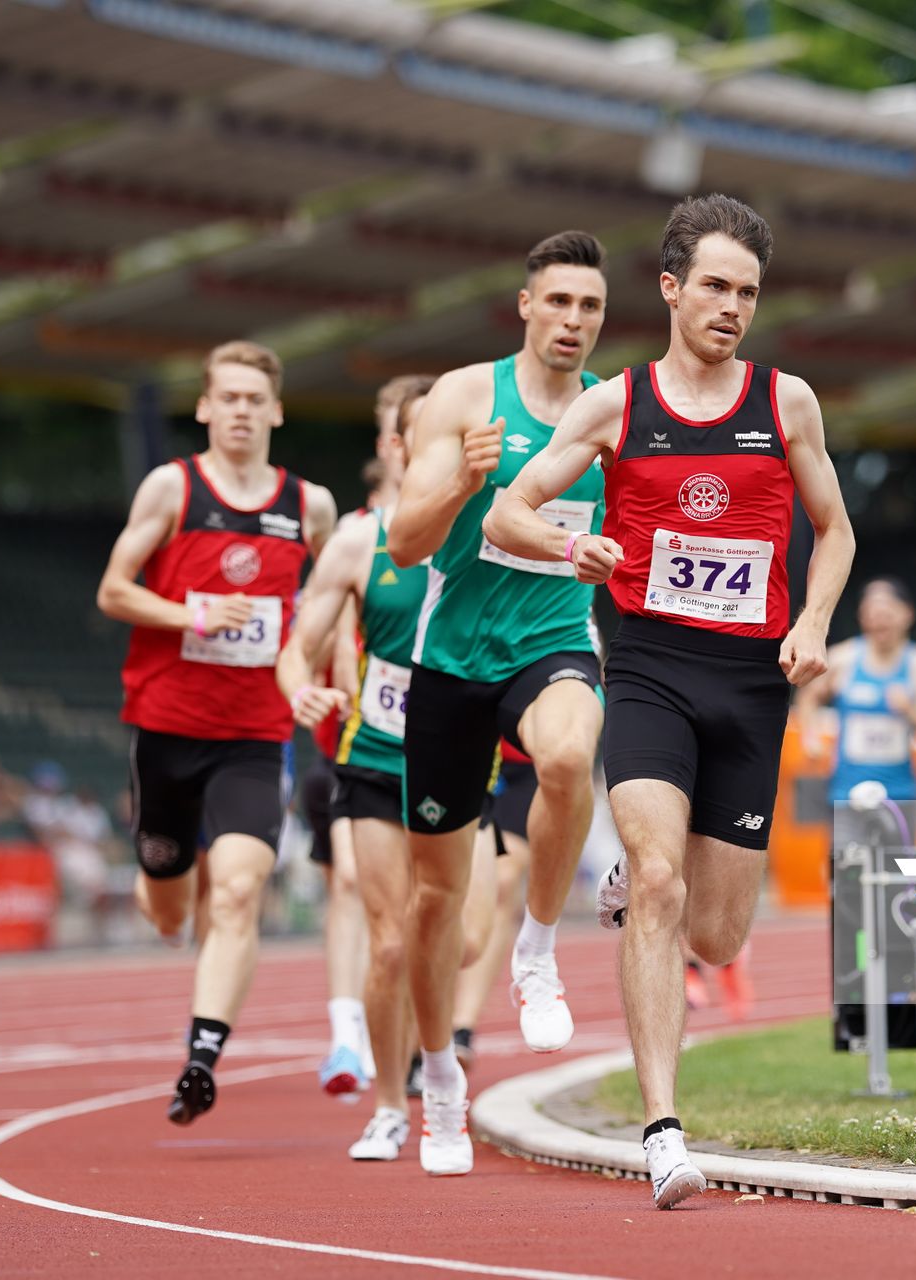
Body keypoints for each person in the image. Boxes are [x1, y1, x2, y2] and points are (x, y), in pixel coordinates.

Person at [482, 193, 854, 1209]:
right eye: (717, 286)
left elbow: (838, 529)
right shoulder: (614, 405)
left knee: (721, 931)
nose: (732, 306)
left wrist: (814, 618)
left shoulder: (788, 404)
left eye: (748, 291)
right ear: (672, 287)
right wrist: (572, 544)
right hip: (647, 666)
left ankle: (651, 902)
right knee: (655, 876)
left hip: (749, 683)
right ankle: (663, 1128)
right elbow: (509, 508)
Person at [386, 229, 613, 1177]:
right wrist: (463, 479)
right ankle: (440, 1078)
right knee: (434, 905)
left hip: (554, 638)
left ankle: (538, 947)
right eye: (557, 302)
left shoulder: (614, 411)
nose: (572, 321)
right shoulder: (465, 395)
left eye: (590, 307)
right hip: (452, 659)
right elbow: (402, 542)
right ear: (526, 305)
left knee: (567, 757)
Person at [96, 339, 336, 1124]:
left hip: (255, 735)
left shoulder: (310, 507)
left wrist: (327, 678)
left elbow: (338, 603)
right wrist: (192, 612)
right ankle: (173, 881)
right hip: (166, 729)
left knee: (238, 891)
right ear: (204, 407)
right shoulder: (172, 488)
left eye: (252, 398)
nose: (239, 410)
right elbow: (113, 590)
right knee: (169, 908)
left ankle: (202, 1056)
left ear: (275, 410)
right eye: (225, 397)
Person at [305, 374, 432, 1100]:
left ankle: (413, 1035)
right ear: (387, 441)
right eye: (397, 426)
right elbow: (320, 618)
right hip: (350, 735)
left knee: (437, 912)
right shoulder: (354, 530)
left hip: (438, 739)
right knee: (351, 883)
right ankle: (347, 1034)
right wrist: (328, 675)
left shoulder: (463, 524)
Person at [796, 575, 916, 1051]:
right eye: (871, 609)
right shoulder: (844, 658)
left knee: (898, 901)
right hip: (847, 801)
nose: (879, 618)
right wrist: (807, 733)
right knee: (847, 900)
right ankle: (850, 1008)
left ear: (906, 615)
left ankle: (901, 1001)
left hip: (900, 803)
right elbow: (805, 694)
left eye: (888, 609)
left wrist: (910, 709)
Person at [451, 739, 539, 1069]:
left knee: (502, 881)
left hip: (524, 759)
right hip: (460, 748)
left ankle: (462, 1027)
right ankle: (424, 1029)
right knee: (447, 888)